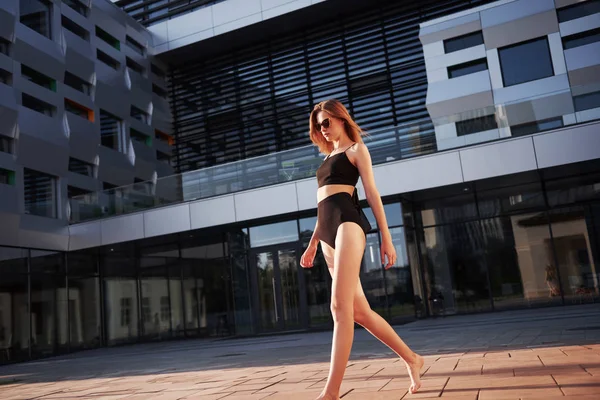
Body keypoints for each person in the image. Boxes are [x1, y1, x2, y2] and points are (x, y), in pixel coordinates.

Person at [300, 100, 424, 400]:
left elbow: (371, 194)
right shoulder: (327, 156)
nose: (323, 130)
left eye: (326, 123)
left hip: (348, 224)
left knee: (338, 308)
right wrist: (314, 242)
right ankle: (413, 358)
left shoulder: (356, 150)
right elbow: (322, 205)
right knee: (361, 313)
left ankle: (331, 392)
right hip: (327, 232)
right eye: (318, 126)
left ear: (340, 119)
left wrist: (386, 237)